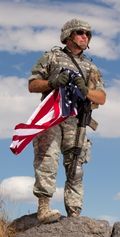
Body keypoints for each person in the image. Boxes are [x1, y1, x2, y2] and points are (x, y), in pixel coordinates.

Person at [28, 18, 106, 223]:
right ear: (69, 35)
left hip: (77, 120)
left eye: (88, 34)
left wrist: (86, 90)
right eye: (80, 33)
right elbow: (33, 84)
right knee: (47, 158)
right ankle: (44, 208)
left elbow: (102, 97)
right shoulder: (52, 57)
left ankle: (74, 214)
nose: (85, 37)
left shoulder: (90, 66)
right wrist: (52, 82)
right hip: (52, 116)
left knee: (76, 166)